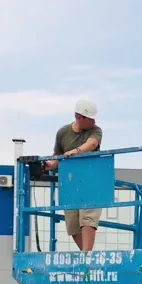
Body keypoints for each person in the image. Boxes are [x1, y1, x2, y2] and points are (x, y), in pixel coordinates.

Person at [45, 99, 103, 251]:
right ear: (79, 117)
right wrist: (50, 165)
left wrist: (75, 152)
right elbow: (57, 156)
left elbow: (92, 144)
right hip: (71, 182)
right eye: (90, 118)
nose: (94, 121)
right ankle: (86, 256)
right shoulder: (63, 133)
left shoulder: (95, 130)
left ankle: (87, 256)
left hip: (91, 180)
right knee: (72, 223)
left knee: (88, 218)